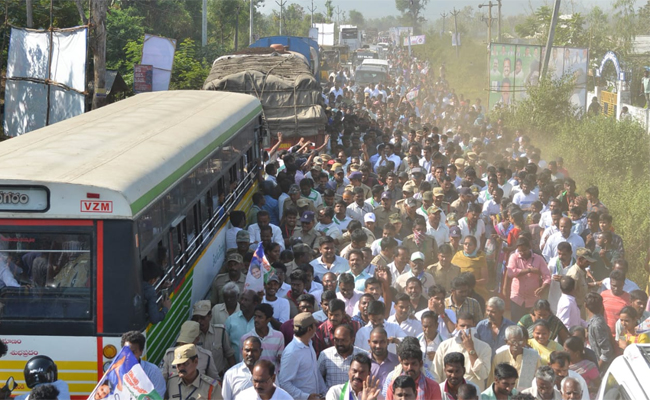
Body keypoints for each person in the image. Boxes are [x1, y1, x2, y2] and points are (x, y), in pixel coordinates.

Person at [433, 313, 492, 391]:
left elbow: (483, 374)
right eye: (462, 326)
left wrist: (471, 349)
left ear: (474, 326)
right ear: (456, 326)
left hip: (473, 393)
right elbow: (435, 374)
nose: (466, 329)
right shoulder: (444, 346)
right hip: (449, 393)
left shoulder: (484, 347)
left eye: (469, 326)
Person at [278, 312, 326, 399]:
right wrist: (306, 397)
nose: (316, 328)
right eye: (314, 325)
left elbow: (315, 372)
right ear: (309, 329)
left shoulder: (309, 344)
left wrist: (323, 393)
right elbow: (284, 383)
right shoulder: (291, 352)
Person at [507, 237, 551, 322]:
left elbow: (547, 276)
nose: (522, 253)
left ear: (529, 247)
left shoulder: (539, 259)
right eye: (520, 251)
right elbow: (510, 273)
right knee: (517, 324)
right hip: (517, 299)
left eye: (524, 250)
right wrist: (529, 270)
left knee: (532, 325)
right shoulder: (514, 257)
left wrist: (543, 287)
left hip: (533, 300)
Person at [490, 325, 541, 391]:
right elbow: (492, 380)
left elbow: (539, 378)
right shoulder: (499, 357)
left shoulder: (533, 356)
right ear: (506, 341)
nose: (517, 345)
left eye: (520, 341)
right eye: (513, 342)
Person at [192, 300, 236, 375]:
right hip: (200, 379)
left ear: (210, 316)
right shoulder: (192, 336)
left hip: (219, 378)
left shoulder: (220, 332)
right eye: (196, 318)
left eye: (202, 318)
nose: (199, 321)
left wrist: (235, 374)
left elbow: (230, 355)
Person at [121, 331, 166, 397]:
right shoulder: (114, 372)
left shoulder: (153, 371)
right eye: (126, 352)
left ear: (141, 352)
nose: (128, 356)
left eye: (133, 352)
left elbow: (158, 396)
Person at [241, 304, 285, 370]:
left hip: (272, 378)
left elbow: (281, 361)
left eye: (260, 317)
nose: (256, 320)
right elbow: (242, 362)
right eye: (255, 317)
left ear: (268, 319)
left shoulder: (279, 336)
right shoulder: (246, 339)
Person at [226, 290, 261, 362]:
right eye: (241, 299)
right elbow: (225, 345)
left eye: (246, 300)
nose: (242, 302)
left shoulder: (261, 322)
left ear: (255, 303)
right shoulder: (231, 320)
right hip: (234, 366)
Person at [451, 235, 489, 301]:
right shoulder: (457, 256)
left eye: (470, 244)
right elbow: (451, 272)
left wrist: (471, 283)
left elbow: (485, 279)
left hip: (476, 292)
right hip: (459, 292)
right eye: (465, 244)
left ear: (475, 246)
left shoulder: (480, 258)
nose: (467, 246)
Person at [601, 269, 631, 334]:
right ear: (610, 283)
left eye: (619, 286)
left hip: (621, 335)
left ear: (623, 284)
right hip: (604, 335)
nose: (616, 289)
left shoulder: (629, 299)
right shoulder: (603, 295)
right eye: (614, 286)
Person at [142, 260, 171, 324]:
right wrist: (165, 309)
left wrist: (159, 287)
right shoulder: (150, 291)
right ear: (152, 280)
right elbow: (155, 319)